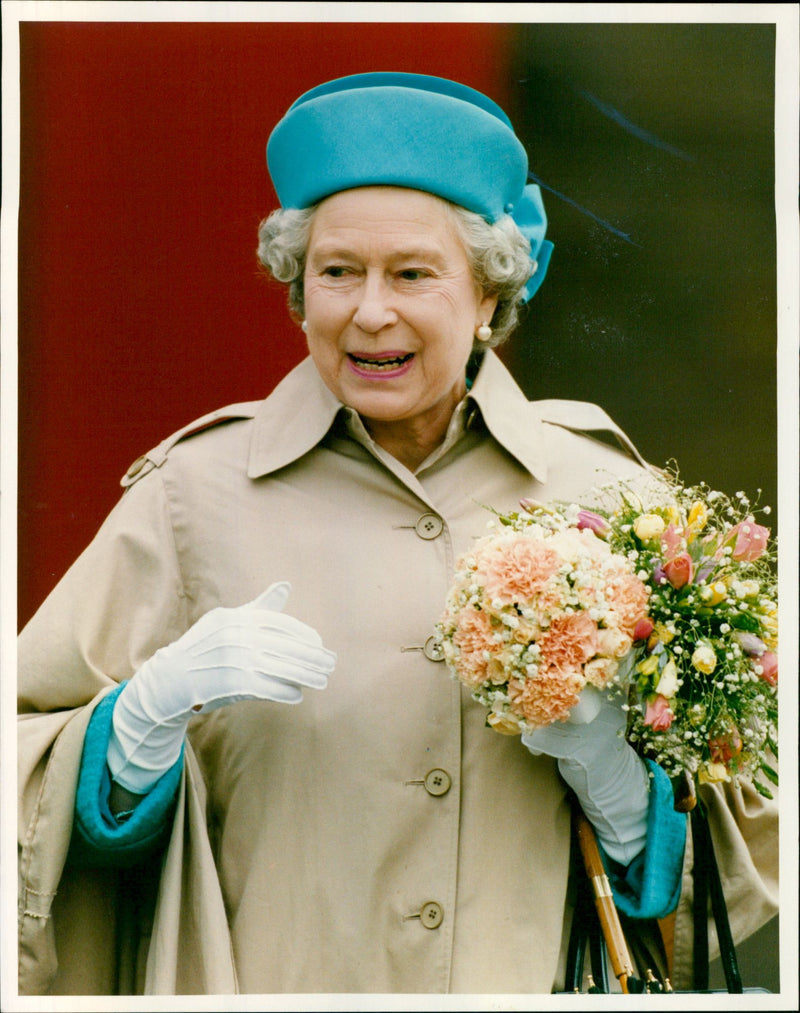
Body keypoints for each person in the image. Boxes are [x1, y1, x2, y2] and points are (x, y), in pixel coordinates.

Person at [17, 72, 777, 996]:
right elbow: (29, 780)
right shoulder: (192, 496)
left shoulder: (613, 496)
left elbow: (713, 876)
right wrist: (132, 728)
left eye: (412, 273)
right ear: (300, 291)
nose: (369, 310)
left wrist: (614, 781)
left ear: (489, 296)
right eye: (337, 272)